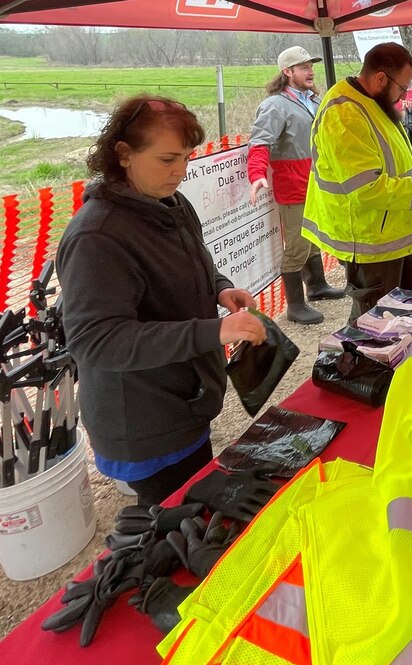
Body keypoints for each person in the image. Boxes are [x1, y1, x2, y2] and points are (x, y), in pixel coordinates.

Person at [58, 95, 267, 506]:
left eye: (187, 158)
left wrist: (219, 288)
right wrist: (214, 331)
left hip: (183, 398)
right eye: (167, 158)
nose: (180, 171)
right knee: (171, 520)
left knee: (192, 496)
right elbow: (96, 340)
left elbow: (195, 262)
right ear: (123, 154)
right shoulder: (97, 237)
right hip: (141, 417)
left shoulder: (170, 201)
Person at [302, 43, 412, 321]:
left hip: (395, 233)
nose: (403, 97)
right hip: (370, 241)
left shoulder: (374, 101)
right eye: (402, 88)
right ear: (380, 79)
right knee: (376, 330)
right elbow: (368, 188)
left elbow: (396, 162)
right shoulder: (344, 114)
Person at [248, 46, 345, 326]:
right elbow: (259, 142)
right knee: (298, 243)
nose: (311, 71)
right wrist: (256, 174)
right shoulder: (274, 105)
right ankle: (295, 305)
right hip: (293, 186)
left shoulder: (312, 100)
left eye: (311, 65)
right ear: (287, 72)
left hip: (316, 184)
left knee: (313, 237)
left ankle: (316, 286)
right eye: (303, 67)